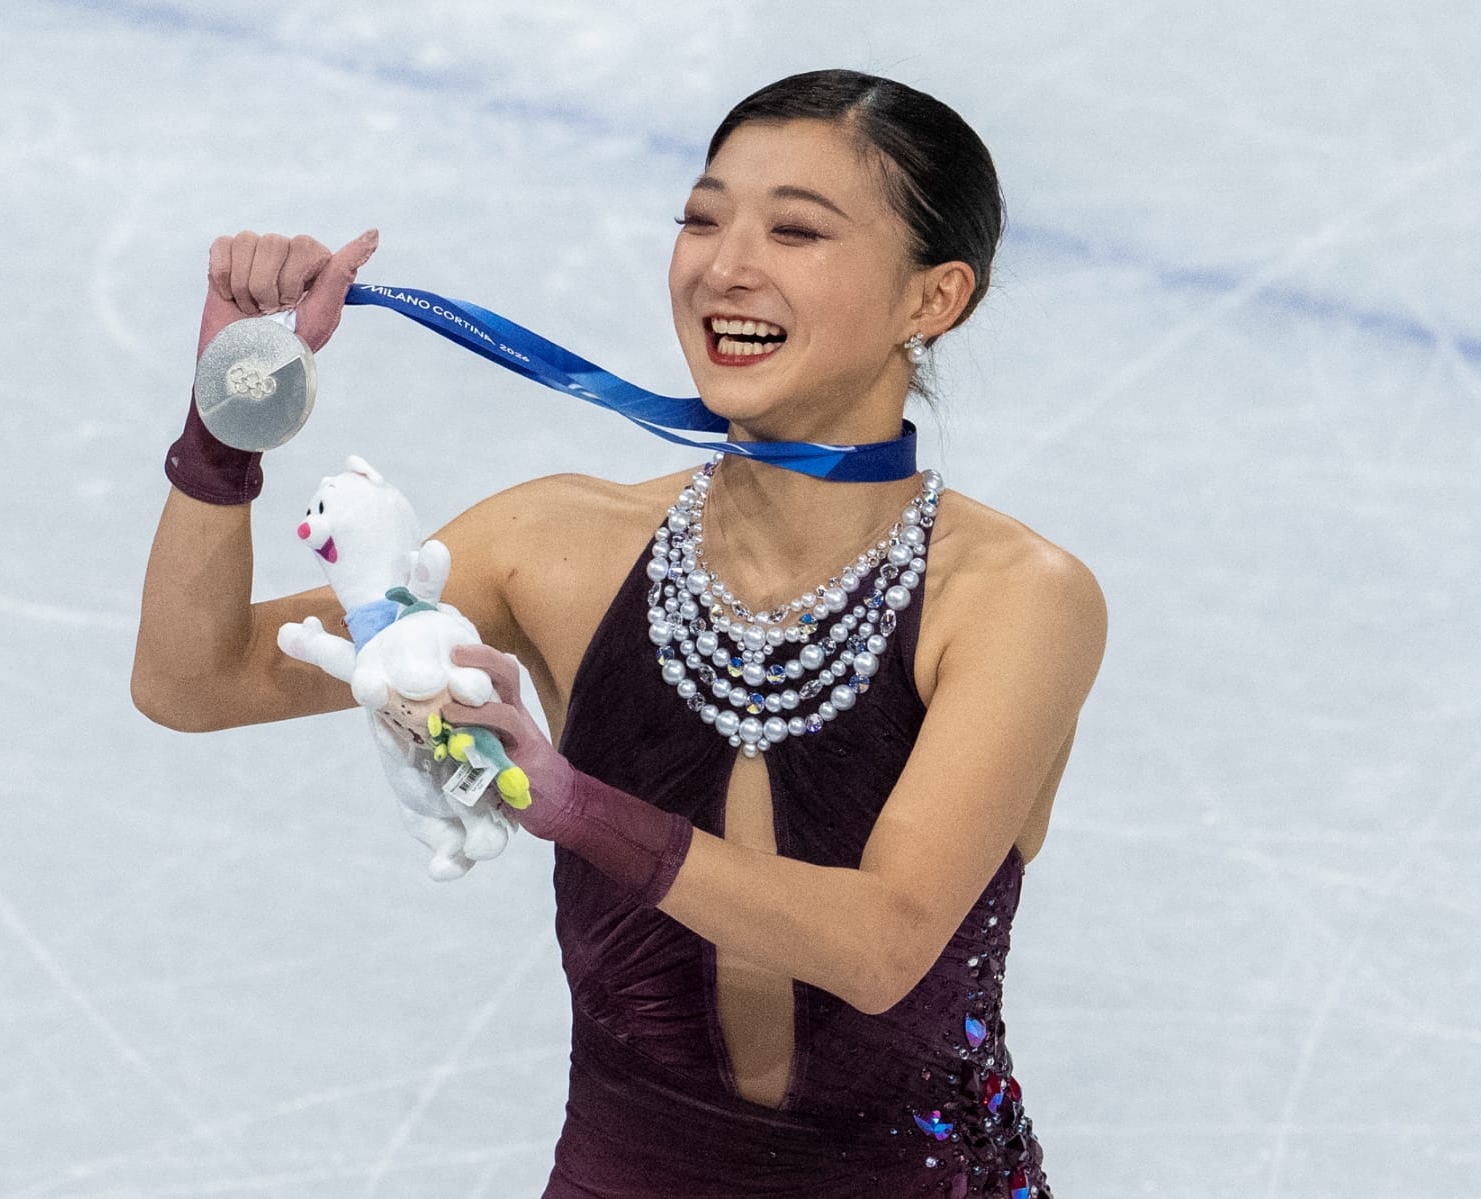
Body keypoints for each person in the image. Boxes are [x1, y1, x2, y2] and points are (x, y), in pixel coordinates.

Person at [133, 69, 1106, 1199]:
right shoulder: (562, 546)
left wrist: (575, 805)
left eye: (796, 230)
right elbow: (193, 679)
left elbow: (881, 944)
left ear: (933, 299)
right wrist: (229, 411)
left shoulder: (1013, 596)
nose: (725, 266)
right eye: (702, 219)